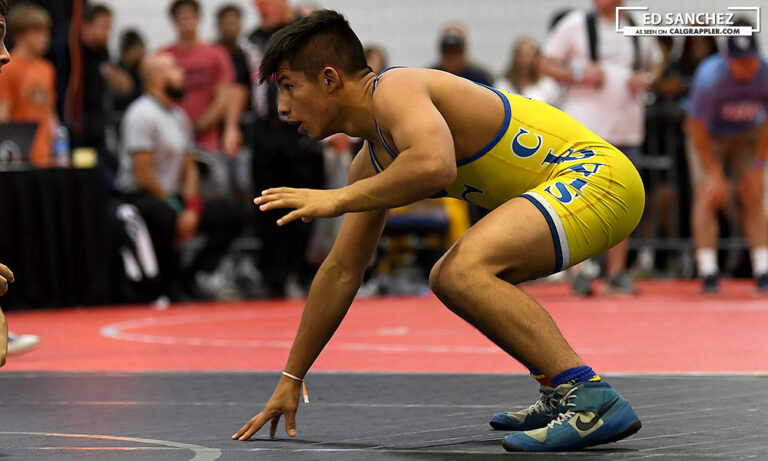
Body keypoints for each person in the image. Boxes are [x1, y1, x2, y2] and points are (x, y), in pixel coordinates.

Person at [231, 10, 644, 452]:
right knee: (451, 277)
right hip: (576, 187)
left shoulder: (397, 88)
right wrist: (292, 376)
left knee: (461, 271)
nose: (282, 107)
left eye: (289, 86)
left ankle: (589, 398)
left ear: (330, 78)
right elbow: (341, 271)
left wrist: (337, 199)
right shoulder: (372, 160)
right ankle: (558, 388)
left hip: (599, 179)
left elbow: (434, 165)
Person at [539, 0, 662, 296]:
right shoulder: (575, 24)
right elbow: (545, 63)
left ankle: (615, 272)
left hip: (627, 129)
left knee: (623, 200)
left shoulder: (636, 25)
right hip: (586, 128)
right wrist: (578, 74)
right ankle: (578, 270)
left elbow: (657, 62)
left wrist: (646, 78)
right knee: (578, 199)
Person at [113, 52, 243, 300]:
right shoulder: (141, 114)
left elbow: (189, 167)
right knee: (165, 216)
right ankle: (166, 285)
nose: (182, 74)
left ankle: (192, 275)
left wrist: (191, 208)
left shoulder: (179, 116)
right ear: (156, 78)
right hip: (142, 196)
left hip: (172, 196)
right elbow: (143, 174)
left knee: (232, 214)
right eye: (174, 69)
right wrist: (176, 206)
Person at [241, 0, 324, 297]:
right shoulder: (252, 40)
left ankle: (302, 270)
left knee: (304, 201)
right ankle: (272, 275)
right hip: (266, 129)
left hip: (299, 128)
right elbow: (241, 85)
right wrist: (231, 128)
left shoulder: (302, 30)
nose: (262, 8)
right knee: (267, 202)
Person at [686, 33, 768, 294]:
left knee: (753, 194)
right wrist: (713, 172)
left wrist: (758, 166)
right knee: (708, 195)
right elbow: (695, 127)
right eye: (740, 62)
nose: (747, 67)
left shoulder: (765, 73)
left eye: (751, 61)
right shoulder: (710, 78)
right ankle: (708, 270)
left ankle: (763, 268)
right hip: (709, 137)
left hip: (747, 134)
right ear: (727, 59)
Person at [163, 0, 244, 159]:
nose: (186, 22)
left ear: (198, 18)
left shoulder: (216, 54)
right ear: (174, 20)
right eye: (181, 18)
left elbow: (224, 97)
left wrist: (197, 127)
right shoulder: (164, 57)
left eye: (190, 17)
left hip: (208, 141)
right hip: (172, 139)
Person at [0, 3, 57, 168]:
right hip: (19, 155)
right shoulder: (7, 67)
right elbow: (3, 113)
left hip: (45, 154)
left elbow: (50, 111)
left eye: (46, 32)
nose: (45, 37)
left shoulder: (47, 68)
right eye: (38, 32)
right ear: (20, 35)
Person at [495, 37, 561, 107]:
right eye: (521, 55)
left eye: (529, 55)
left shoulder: (547, 85)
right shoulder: (503, 84)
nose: (524, 59)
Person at [113, 29, 146, 112]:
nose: (142, 53)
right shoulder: (116, 72)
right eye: (137, 49)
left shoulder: (141, 69)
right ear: (127, 51)